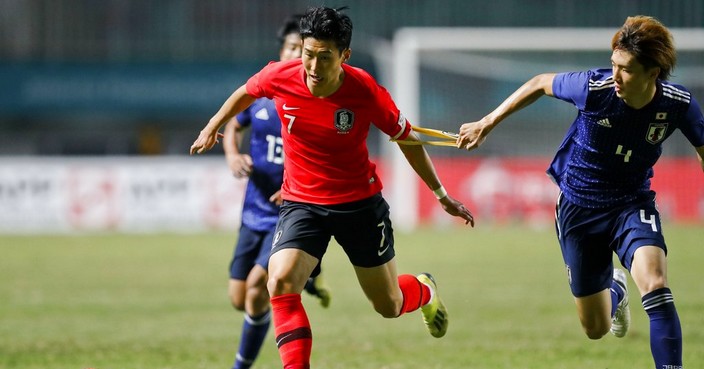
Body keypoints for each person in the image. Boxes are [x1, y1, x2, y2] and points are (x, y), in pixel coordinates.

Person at [192, 6, 474, 368]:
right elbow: (246, 91)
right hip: (302, 204)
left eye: (324, 58)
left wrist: (441, 195)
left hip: (358, 204)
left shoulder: (365, 91)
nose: (312, 67)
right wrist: (213, 125)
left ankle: (425, 289)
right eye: (308, 54)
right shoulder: (281, 75)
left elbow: (408, 140)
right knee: (278, 283)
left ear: (345, 55)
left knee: (387, 305)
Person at [457, 15, 704, 369]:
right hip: (578, 207)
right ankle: (614, 291)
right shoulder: (594, 87)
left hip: (631, 203)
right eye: (614, 65)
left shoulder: (678, 104)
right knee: (595, 328)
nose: (616, 76)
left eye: (627, 69)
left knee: (656, 284)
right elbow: (540, 82)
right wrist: (486, 122)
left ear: (653, 72)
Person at [222, 14, 330, 369]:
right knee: (240, 298)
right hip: (253, 212)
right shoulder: (261, 96)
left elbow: (329, 155)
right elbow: (232, 126)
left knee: (257, 289)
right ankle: (306, 276)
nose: (297, 55)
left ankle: (241, 365)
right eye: (293, 48)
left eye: (304, 50)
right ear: (281, 51)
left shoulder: (315, 102)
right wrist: (234, 154)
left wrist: (298, 187)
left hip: (290, 212)